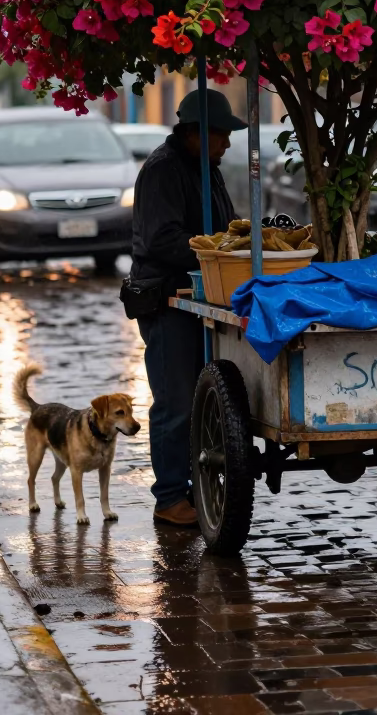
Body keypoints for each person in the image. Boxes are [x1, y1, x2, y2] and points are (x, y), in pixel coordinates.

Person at [131, 89, 246, 527]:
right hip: (167, 298)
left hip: (201, 299)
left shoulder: (208, 168)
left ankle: (197, 487)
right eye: (221, 135)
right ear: (195, 134)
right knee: (176, 401)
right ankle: (169, 497)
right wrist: (214, 249)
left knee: (202, 400)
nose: (228, 144)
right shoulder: (163, 171)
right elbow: (162, 241)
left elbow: (223, 222)